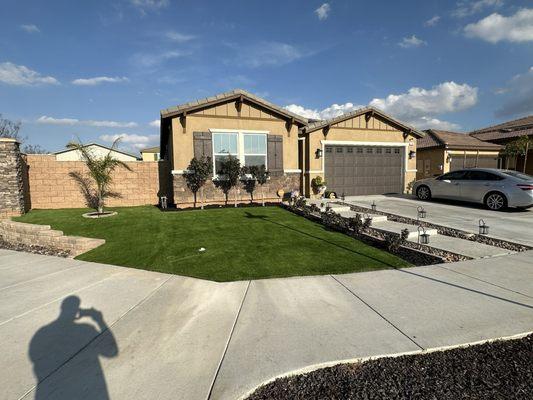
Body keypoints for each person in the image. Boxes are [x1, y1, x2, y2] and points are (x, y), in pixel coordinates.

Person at [29, 296, 118, 399]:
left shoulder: (42, 332)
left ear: (62, 308)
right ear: (77, 310)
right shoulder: (86, 329)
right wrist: (99, 320)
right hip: (86, 389)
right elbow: (111, 352)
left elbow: (34, 357)